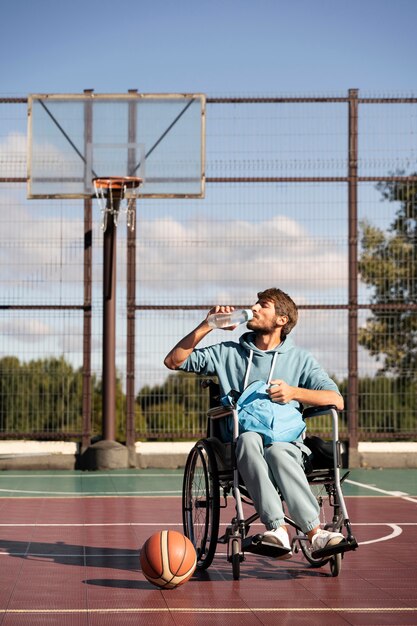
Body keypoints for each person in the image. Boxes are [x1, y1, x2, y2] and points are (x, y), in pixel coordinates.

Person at [164, 287, 345, 557]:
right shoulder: (229, 352)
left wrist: (294, 393)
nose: (254, 308)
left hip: (288, 445)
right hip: (242, 442)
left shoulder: (300, 359)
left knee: (279, 451)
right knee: (249, 439)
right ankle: (278, 530)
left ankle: (315, 533)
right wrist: (207, 325)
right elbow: (174, 361)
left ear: (281, 320)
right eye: (255, 304)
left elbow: (336, 400)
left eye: (263, 305)